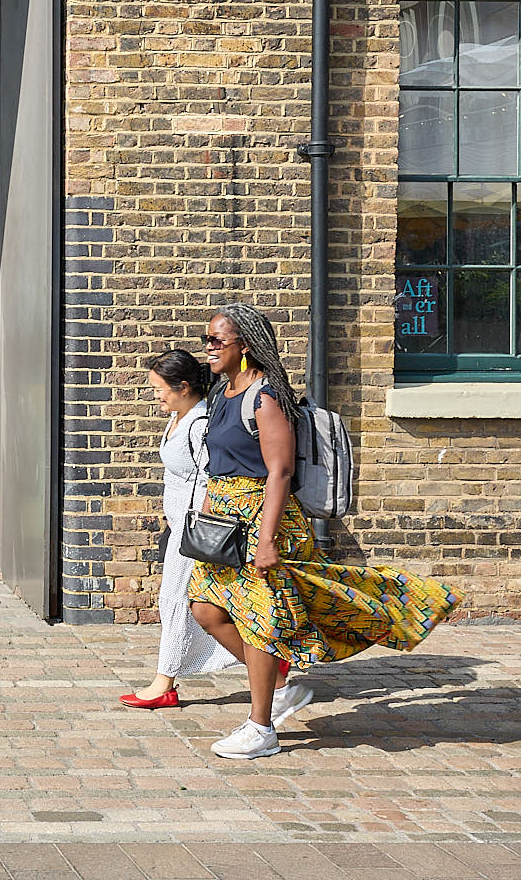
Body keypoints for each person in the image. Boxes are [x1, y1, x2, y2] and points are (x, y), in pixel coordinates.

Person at [189, 303, 461, 760]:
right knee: (206, 611)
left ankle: (261, 728)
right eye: (207, 340)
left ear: (246, 346)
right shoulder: (222, 393)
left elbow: (278, 472)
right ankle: (279, 686)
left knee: (259, 623)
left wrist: (269, 538)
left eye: (218, 340)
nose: (209, 347)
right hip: (223, 522)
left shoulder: (266, 397)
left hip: (262, 519)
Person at [119, 348, 242, 708]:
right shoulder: (178, 419)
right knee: (196, 604)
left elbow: (213, 479)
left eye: (160, 388)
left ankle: (164, 683)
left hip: (194, 532)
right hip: (180, 527)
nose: (156, 394)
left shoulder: (200, 426)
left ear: (184, 387)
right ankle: (268, 664)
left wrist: (194, 523)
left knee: (175, 600)